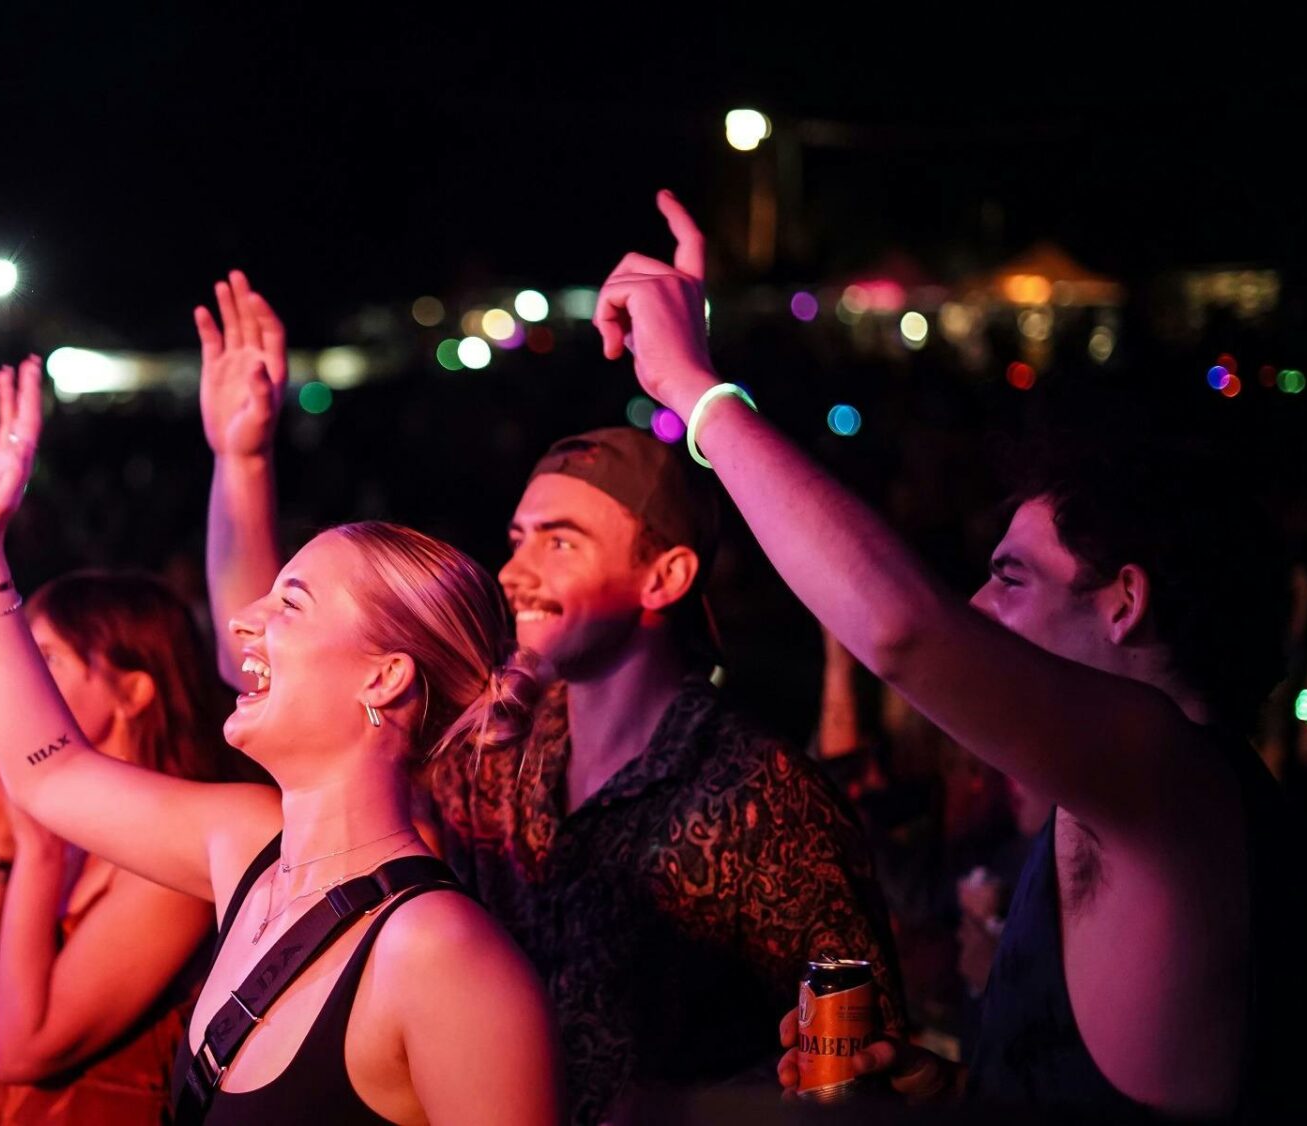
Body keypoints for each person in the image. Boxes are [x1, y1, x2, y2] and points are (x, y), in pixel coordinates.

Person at [594, 191, 1307, 1120]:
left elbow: (905, 630)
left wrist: (695, 389)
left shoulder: (1179, 779)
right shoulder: (1099, 802)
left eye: (1010, 579)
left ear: (1126, 602)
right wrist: (946, 1092)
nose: (976, 607)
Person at [195, 271, 901, 1120]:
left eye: (559, 543)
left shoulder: (763, 796)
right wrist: (242, 461)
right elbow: (283, 670)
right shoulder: (497, 750)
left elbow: (858, 1062)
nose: (514, 571)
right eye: (518, 538)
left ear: (665, 577)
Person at [0, 358, 561, 1124]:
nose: (240, 622)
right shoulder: (247, 848)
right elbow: (49, 774)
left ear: (384, 678)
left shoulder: (441, 955)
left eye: (289, 605)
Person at [0, 571, 233, 1124]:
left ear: (133, 692)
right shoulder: (65, 830)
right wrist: (1, 850)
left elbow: (21, 1050)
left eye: (48, 659)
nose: (19, 682)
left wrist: (38, 854)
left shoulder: (175, 859)